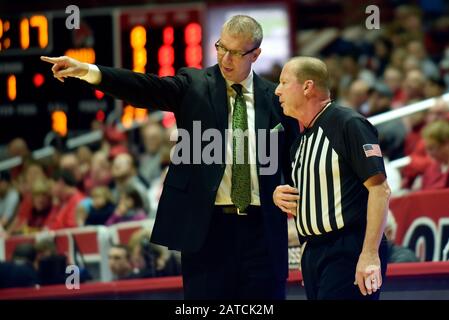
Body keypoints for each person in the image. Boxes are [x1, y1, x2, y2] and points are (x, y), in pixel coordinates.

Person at [41, 15, 299, 299]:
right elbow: (145, 87)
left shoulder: (275, 98)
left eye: (236, 53)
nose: (226, 58)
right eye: (221, 47)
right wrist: (90, 72)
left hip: (261, 230)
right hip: (207, 230)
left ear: (255, 54)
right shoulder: (194, 84)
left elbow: (295, 164)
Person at [273, 57, 390, 300]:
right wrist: (280, 196)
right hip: (315, 253)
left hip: (348, 248)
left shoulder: (349, 124)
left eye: (284, 82)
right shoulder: (300, 142)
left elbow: (380, 190)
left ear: (307, 87)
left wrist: (369, 254)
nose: (277, 90)